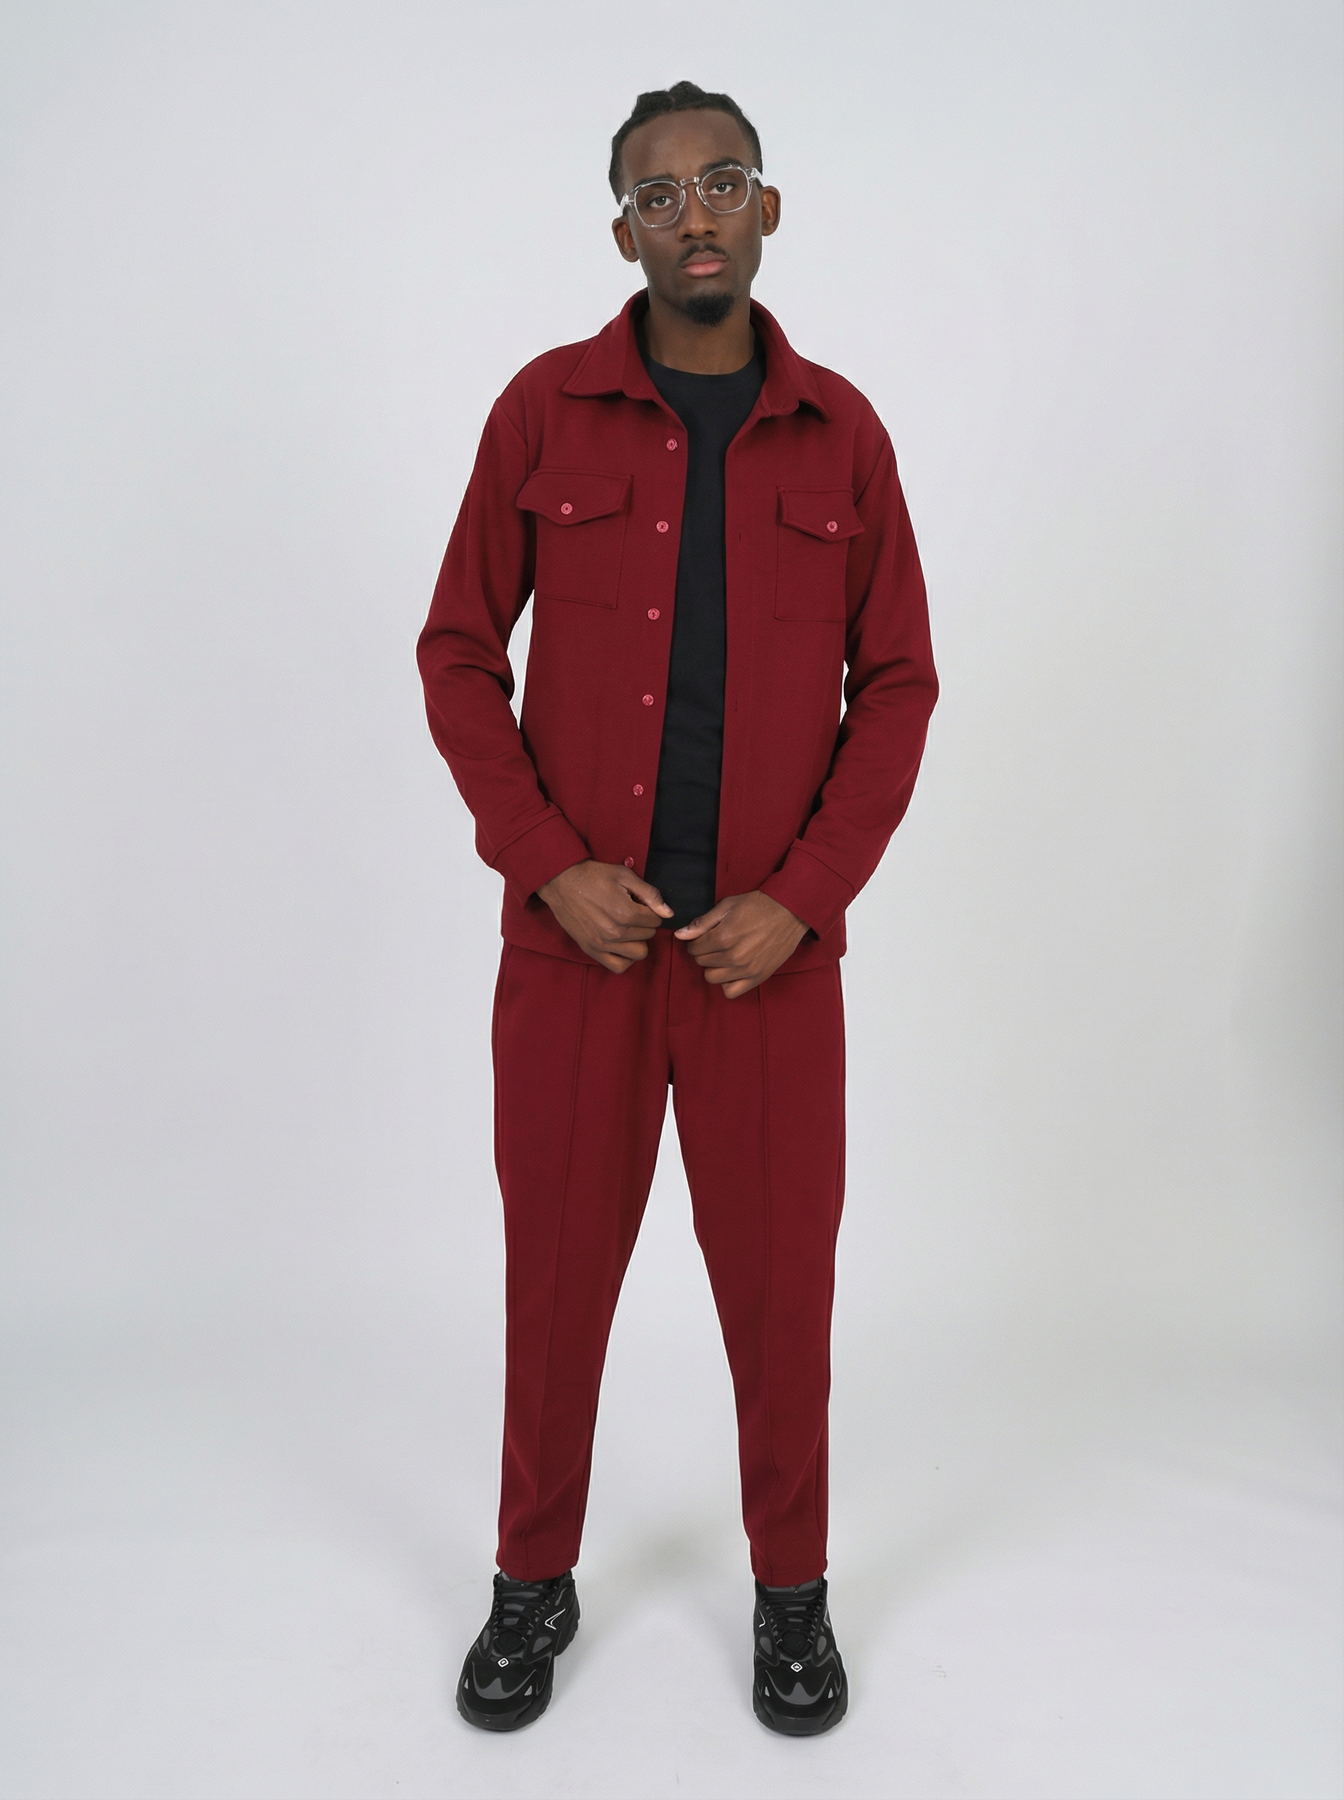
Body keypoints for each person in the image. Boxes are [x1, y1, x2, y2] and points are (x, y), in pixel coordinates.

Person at [417, 80, 937, 1736]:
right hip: (576, 955)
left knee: (783, 1301)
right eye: (658, 194)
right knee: (555, 1286)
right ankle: (531, 1579)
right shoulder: (542, 413)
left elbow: (900, 686)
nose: (693, 214)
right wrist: (545, 861)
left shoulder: (843, 435)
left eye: (722, 182)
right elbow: (456, 653)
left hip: (765, 969)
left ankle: (793, 1596)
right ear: (622, 232)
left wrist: (805, 898)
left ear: (768, 209)